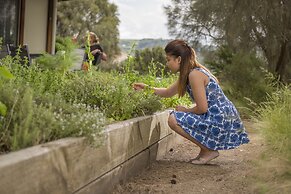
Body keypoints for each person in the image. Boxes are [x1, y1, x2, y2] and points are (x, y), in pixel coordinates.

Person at [133, 39, 249, 165]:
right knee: (176, 117)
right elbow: (167, 92)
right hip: (219, 117)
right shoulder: (189, 73)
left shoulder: (195, 74)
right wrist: (146, 88)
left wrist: (185, 110)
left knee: (173, 119)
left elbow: (202, 108)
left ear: (178, 60)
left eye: (168, 59)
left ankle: (208, 150)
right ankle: (206, 150)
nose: (167, 63)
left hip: (220, 119)